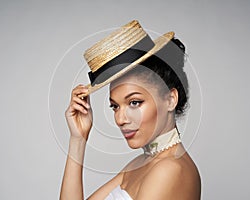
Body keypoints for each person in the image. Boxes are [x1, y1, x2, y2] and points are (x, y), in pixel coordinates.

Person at [60, 20, 201, 200]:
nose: (120, 119)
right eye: (115, 106)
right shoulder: (140, 164)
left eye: (134, 102)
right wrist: (78, 139)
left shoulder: (170, 170)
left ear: (170, 99)